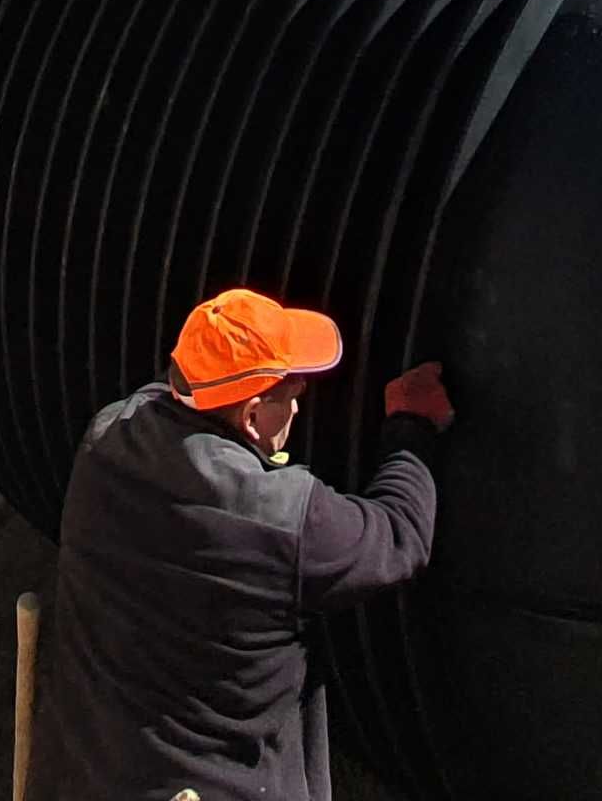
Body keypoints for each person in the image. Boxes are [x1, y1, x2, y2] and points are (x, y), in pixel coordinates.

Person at [23, 287, 455, 801]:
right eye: (291, 395)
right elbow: (398, 535)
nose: (297, 409)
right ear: (251, 417)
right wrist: (410, 426)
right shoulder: (282, 519)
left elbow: (161, 394)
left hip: (91, 776)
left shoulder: (107, 438)